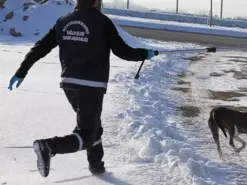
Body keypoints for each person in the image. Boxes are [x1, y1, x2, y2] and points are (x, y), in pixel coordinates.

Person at [8, 0, 156, 178]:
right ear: (96, 1)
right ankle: (49, 146)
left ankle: (97, 167)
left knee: (93, 126)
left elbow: (41, 47)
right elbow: (122, 51)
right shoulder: (102, 22)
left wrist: (22, 71)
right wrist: (144, 53)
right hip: (91, 87)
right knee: (87, 134)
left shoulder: (63, 21)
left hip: (69, 85)